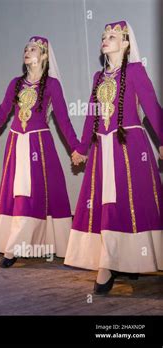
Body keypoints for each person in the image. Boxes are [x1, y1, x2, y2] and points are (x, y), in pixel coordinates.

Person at [64, 21, 163, 295]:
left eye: (112, 36)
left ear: (127, 43)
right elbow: (92, 116)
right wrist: (82, 148)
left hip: (129, 148)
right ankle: (107, 264)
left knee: (130, 204)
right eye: (103, 36)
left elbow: (152, 107)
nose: (105, 39)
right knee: (106, 206)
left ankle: (128, 260)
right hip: (102, 151)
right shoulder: (98, 77)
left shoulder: (135, 71)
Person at [0, 36, 81, 268]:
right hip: (16, 144)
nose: (27, 51)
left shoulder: (52, 85)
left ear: (44, 55)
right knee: (19, 193)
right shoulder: (15, 83)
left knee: (36, 193)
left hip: (39, 147)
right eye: (25, 48)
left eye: (33, 49)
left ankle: (25, 245)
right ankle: (14, 245)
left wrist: (75, 148)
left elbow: (63, 120)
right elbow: (3, 113)